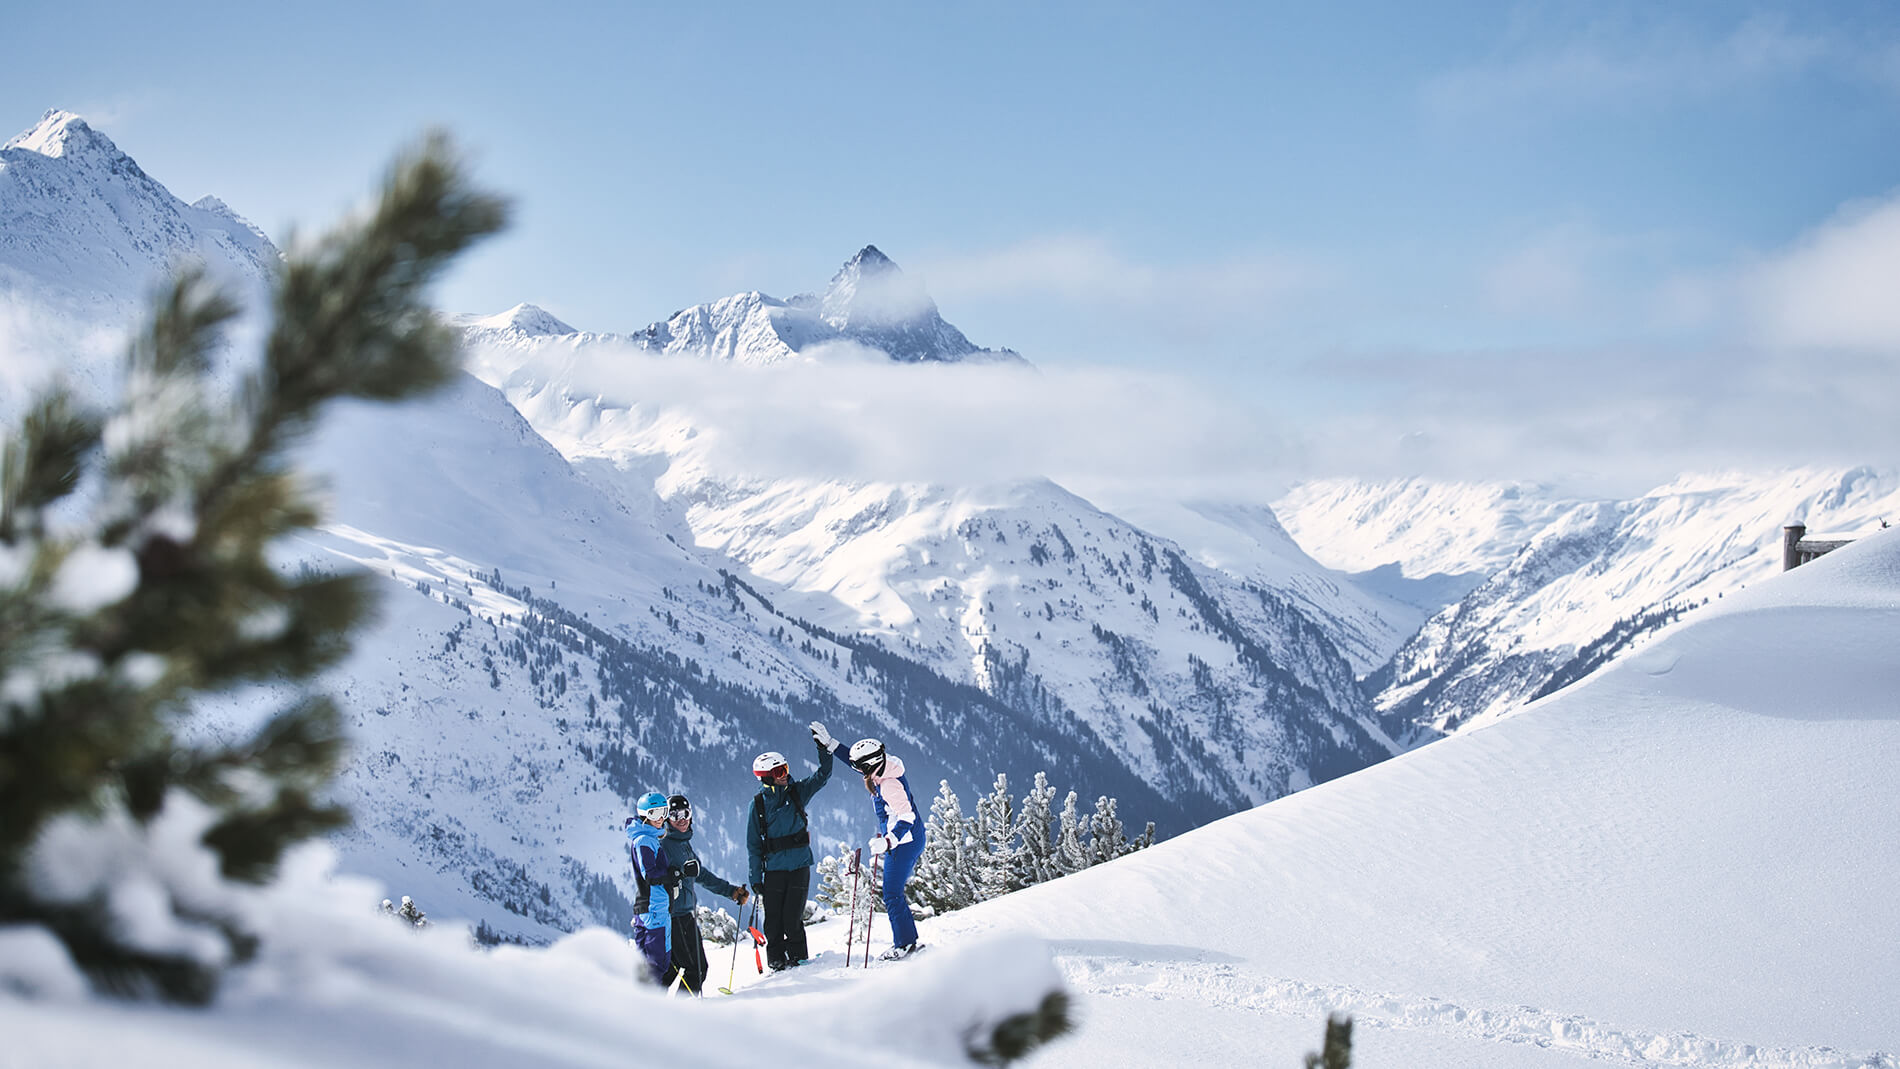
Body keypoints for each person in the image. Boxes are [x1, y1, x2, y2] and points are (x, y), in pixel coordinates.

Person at [815, 723, 925, 960]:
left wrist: (888, 841)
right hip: (904, 839)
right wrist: (831, 744)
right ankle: (908, 940)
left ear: (870, 765)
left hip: (903, 842)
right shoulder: (880, 766)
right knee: (893, 892)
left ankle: (905, 944)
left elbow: (907, 817)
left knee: (891, 893)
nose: (857, 769)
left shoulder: (889, 785)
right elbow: (856, 762)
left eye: (860, 766)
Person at [745, 732, 834, 970]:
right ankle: (776, 961)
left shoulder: (797, 792)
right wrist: (755, 878)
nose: (785, 775)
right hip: (773, 870)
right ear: (767, 778)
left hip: (799, 866)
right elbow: (753, 844)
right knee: (773, 921)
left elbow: (822, 776)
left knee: (792, 918)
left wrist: (824, 750)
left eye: (785, 769)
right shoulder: (759, 805)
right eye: (779, 772)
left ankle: (799, 958)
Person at [658, 793, 748, 994]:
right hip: (675, 917)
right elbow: (654, 880)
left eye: (685, 813)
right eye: (675, 815)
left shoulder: (683, 844)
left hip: (683, 915)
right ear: (667, 819)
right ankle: (684, 1012)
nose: (681, 819)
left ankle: (652, 1012)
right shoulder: (664, 847)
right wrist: (675, 875)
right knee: (696, 970)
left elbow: (702, 875)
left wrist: (732, 892)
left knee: (669, 971)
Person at [626, 791, 679, 986]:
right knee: (658, 963)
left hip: (647, 907)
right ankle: (650, 1008)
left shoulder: (645, 838)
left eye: (664, 812)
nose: (661, 819)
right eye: (655, 813)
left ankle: (639, 1004)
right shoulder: (644, 840)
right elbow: (649, 873)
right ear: (645, 816)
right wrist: (671, 875)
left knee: (644, 964)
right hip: (654, 908)